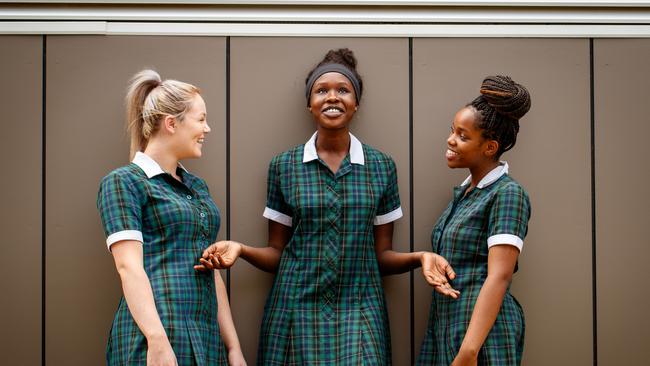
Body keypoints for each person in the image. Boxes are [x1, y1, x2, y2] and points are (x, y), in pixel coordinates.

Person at [195, 48, 458, 365]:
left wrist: (421, 258)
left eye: (343, 90)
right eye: (322, 91)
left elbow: (381, 256)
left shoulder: (381, 166)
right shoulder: (284, 166)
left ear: (356, 102)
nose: (332, 98)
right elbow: (277, 253)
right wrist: (240, 249)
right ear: (310, 103)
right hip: (294, 309)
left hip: (361, 310)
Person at [97, 70, 246, 366]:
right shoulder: (125, 182)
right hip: (153, 338)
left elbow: (210, 268)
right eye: (201, 119)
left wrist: (233, 348)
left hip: (204, 338)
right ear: (170, 123)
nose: (208, 128)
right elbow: (128, 267)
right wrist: (157, 340)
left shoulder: (197, 187)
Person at [417, 75, 532, 366]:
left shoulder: (508, 194)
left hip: (481, 336)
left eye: (463, 135)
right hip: (448, 325)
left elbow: (499, 276)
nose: (450, 140)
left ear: (490, 147)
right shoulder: (465, 193)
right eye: (452, 130)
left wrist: (469, 352)